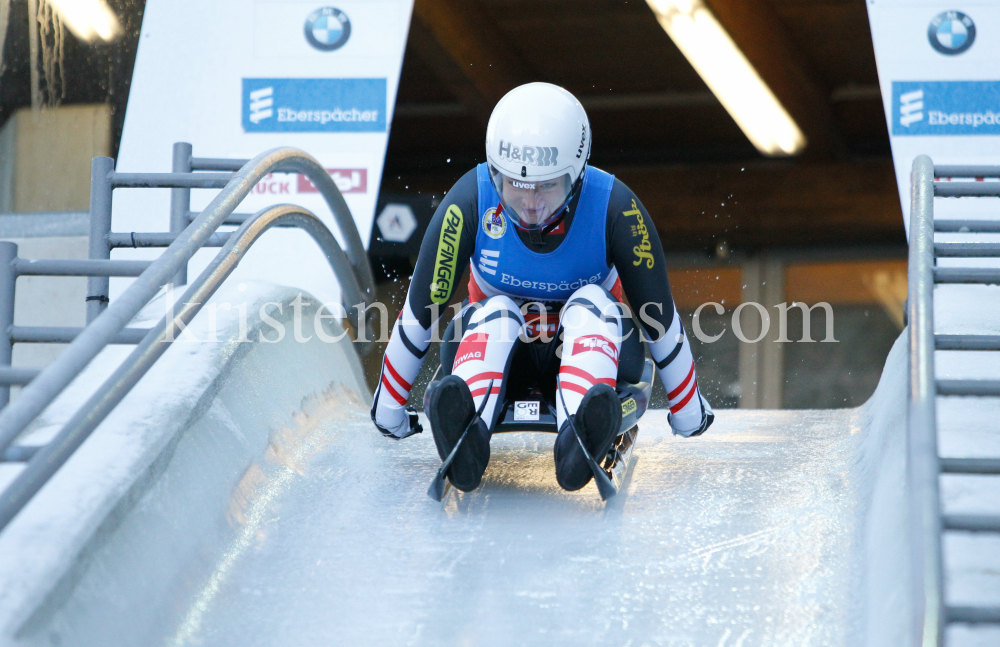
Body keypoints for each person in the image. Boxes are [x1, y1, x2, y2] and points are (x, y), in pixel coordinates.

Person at [371, 82, 713, 493]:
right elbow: (423, 307)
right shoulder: (469, 201)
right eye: (515, 184)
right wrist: (389, 406)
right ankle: (467, 435)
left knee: (589, 303)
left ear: (578, 175)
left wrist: (686, 406)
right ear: (495, 172)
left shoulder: (617, 209)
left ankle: (579, 436)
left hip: (595, 351)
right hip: (498, 355)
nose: (530, 204)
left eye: (547, 186)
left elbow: (658, 317)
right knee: (495, 313)